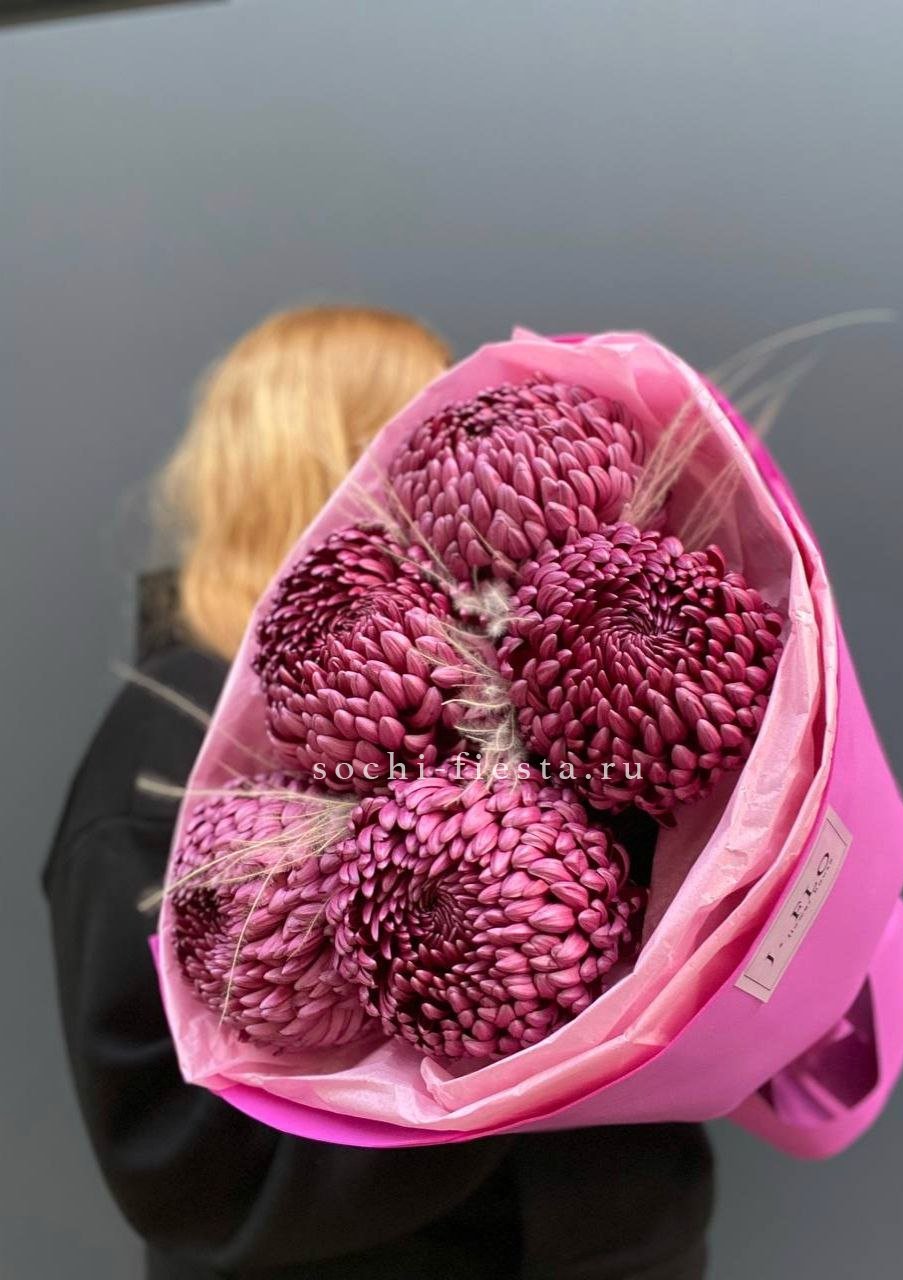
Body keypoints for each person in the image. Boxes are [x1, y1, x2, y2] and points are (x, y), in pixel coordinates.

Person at [44, 304, 714, 1280]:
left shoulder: (553, 677)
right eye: (439, 425)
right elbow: (173, 1153)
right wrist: (504, 1047)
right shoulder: (165, 751)